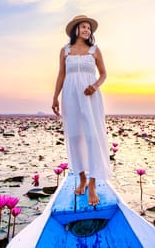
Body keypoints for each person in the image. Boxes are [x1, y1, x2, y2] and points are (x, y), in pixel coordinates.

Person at [52, 15, 111, 206]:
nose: (87, 30)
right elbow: (61, 74)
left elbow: (103, 74)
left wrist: (94, 86)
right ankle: (82, 177)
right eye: (83, 27)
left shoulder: (94, 50)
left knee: (93, 136)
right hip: (69, 95)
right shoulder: (65, 50)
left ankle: (92, 184)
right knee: (75, 136)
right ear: (75, 30)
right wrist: (55, 97)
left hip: (90, 96)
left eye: (89, 28)